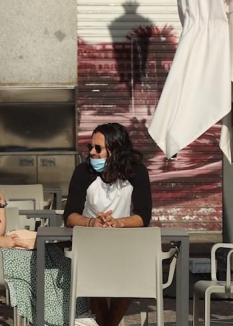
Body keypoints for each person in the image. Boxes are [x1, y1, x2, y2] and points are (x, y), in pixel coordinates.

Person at [0, 131, 97, 326]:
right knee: (39, 262)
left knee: (58, 257)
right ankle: (55, 320)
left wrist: (1, 201)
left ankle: (75, 316)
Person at [63, 123, 153, 326]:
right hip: (89, 243)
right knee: (89, 273)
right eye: (90, 147)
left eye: (98, 148)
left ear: (115, 150)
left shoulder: (136, 172)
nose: (92, 153)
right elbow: (70, 216)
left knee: (132, 275)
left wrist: (118, 222)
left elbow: (143, 216)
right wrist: (91, 222)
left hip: (126, 243)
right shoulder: (82, 172)